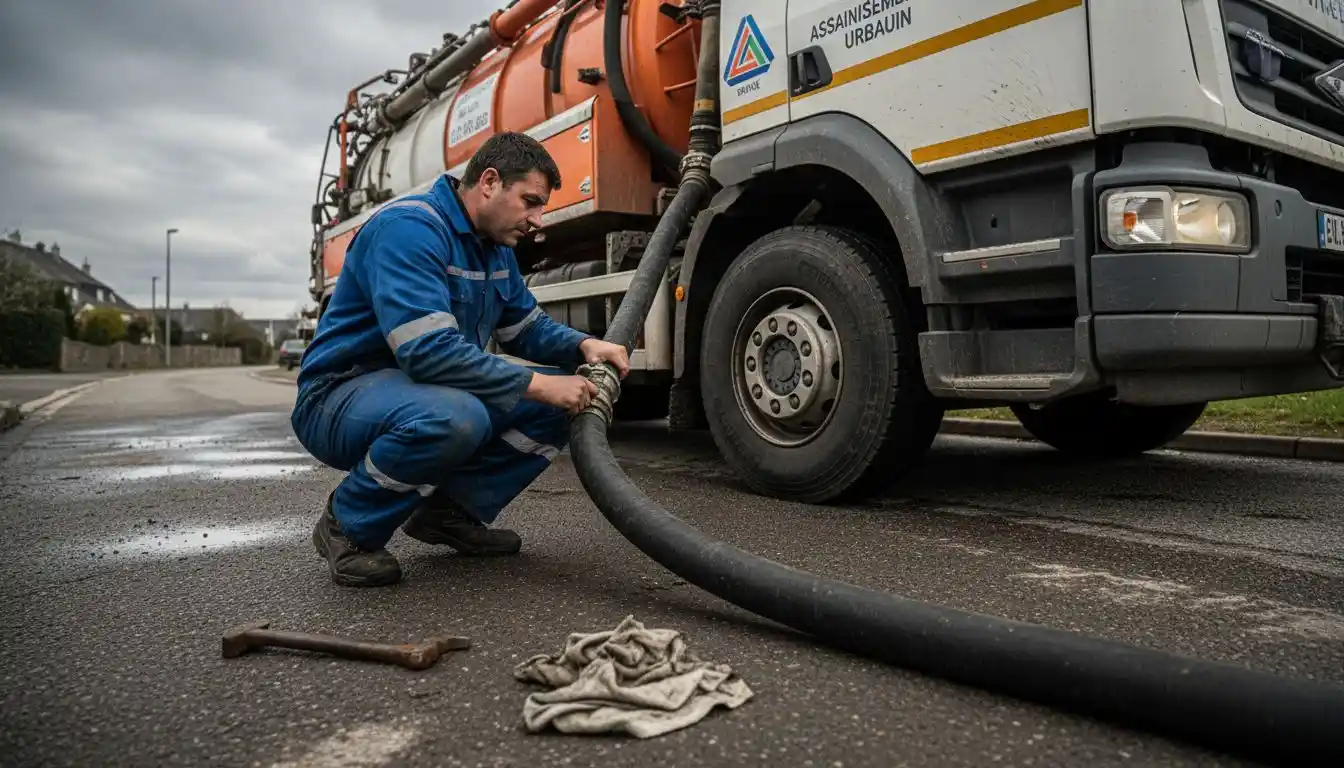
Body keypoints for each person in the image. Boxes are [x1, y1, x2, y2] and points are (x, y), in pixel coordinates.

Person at [291, 131, 630, 587]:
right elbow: (427, 353)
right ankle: (347, 525)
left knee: (569, 399)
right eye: (530, 201)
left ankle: (448, 513)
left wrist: (583, 346)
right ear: (489, 182)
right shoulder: (409, 229)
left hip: (416, 390)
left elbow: (525, 329)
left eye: (541, 206)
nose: (538, 220)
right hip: (338, 395)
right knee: (458, 416)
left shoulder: (494, 247)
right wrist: (536, 384)